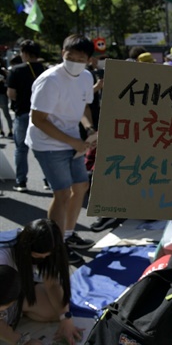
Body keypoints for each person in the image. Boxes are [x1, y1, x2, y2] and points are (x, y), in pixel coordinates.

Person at [25, 34, 97, 265]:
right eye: (70, 56)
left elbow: (84, 106)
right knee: (63, 193)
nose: (74, 61)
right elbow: (38, 119)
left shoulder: (86, 76)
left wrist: (89, 129)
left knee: (81, 186)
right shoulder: (50, 80)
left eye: (80, 57)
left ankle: (67, 234)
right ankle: (55, 247)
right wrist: (72, 141)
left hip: (73, 141)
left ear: (89, 59)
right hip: (48, 144)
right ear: (61, 53)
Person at [0, 219, 82, 345]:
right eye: (37, 257)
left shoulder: (47, 246)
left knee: (55, 311)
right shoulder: (3, 258)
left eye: (46, 257)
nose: (42, 260)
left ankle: (15, 310)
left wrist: (65, 317)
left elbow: (53, 284)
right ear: (26, 248)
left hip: (13, 295)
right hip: (6, 296)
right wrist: (21, 340)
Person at [6, 40, 47, 192]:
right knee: (44, 148)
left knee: (21, 149)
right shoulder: (46, 69)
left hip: (23, 112)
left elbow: (11, 94)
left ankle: (21, 181)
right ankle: (48, 180)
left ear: (24, 53)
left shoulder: (16, 70)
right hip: (44, 115)